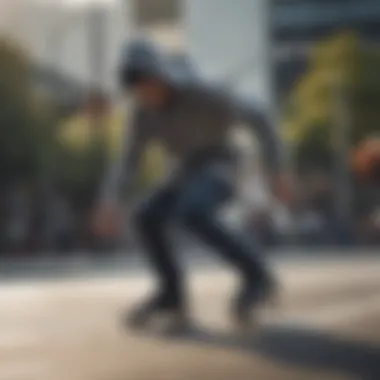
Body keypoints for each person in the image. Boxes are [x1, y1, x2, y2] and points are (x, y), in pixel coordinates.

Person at [94, 39, 290, 328]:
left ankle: (256, 275)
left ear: (162, 75)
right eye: (138, 88)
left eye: (149, 82)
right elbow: (129, 160)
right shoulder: (142, 113)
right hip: (183, 170)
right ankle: (172, 294)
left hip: (225, 162)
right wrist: (109, 201)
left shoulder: (204, 92)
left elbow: (259, 115)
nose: (146, 93)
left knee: (193, 211)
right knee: (146, 217)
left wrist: (278, 169)